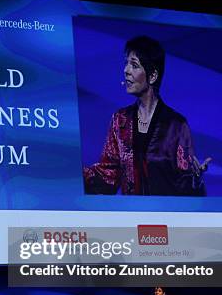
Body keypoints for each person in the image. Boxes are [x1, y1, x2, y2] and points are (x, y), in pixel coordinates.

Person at [83, 36, 211, 196]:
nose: (126, 70)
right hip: (131, 217)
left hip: (166, 217)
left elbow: (185, 183)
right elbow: (107, 175)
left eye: (134, 65)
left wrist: (196, 179)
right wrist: (73, 173)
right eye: (126, 63)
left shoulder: (176, 125)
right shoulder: (120, 120)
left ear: (152, 76)